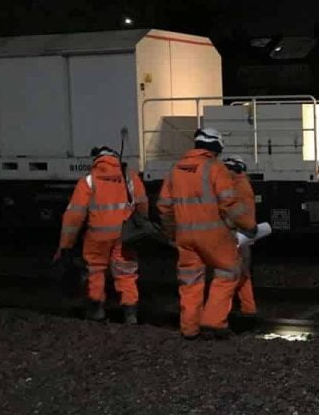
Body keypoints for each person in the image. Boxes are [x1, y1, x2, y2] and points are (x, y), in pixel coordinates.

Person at [156, 128, 257, 339]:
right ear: (215, 148)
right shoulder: (215, 168)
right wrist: (249, 224)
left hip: (184, 237)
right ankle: (213, 322)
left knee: (190, 282)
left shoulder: (176, 169)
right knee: (228, 272)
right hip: (213, 235)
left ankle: (189, 329)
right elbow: (229, 203)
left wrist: (171, 232)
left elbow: (164, 207)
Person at [54, 146, 148, 324]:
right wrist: (139, 227)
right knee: (126, 273)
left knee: (95, 271)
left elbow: (74, 216)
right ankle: (130, 314)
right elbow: (143, 205)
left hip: (97, 236)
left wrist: (65, 244)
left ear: (97, 160)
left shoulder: (88, 181)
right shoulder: (130, 178)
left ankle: (96, 311)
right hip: (124, 235)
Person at [222, 155, 258, 316]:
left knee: (229, 276)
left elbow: (237, 215)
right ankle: (248, 309)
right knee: (243, 274)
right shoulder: (241, 185)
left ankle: (223, 311)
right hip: (241, 235)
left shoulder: (237, 188)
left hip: (236, 235)